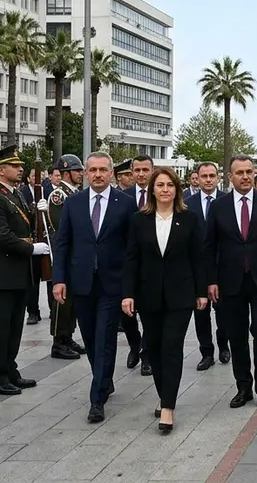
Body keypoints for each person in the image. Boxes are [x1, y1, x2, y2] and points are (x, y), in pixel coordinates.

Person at [50, 152, 137, 423]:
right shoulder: (73, 203)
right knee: (89, 337)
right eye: (93, 170)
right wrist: (59, 279)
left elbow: (132, 249)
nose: (98, 174)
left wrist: (130, 287)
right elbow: (63, 243)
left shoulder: (126, 203)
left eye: (103, 170)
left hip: (112, 283)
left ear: (111, 173)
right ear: (86, 174)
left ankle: (96, 399)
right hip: (82, 282)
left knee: (105, 339)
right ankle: (104, 379)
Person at [122, 167, 207, 435]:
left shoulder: (189, 219)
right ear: (152, 190)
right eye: (160, 185)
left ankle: (168, 406)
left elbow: (198, 257)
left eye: (170, 185)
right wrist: (128, 293)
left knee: (171, 346)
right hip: (148, 295)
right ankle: (164, 394)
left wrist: (201, 292)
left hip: (180, 294)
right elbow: (131, 259)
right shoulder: (139, 220)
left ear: (177, 189)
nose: (165, 190)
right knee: (154, 348)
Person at [205, 155, 257, 409]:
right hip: (230, 281)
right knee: (236, 335)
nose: (245, 176)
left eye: (249, 171)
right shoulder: (219, 206)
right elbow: (210, 246)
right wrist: (211, 280)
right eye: (239, 172)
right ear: (230, 177)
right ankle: (243, 387)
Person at [0, 145, 49, 397]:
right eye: (15, 166)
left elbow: (25, 224)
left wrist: (39, 211)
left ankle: (10, 370)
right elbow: (2, 236)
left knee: (14, 327)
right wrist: (31, 249)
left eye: (20, 166)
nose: (21, 169)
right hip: (1, 270)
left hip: (18, 270)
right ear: (1, 170)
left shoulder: (16, 194)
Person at [38, 155, 86, 361]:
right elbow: (62, 227)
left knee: (71, 300)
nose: (81, 174)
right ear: (66, 173)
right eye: (77, 171)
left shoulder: (75, 193)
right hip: (64, 254)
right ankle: (58, 341)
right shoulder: (59, 195)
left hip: (76, 255)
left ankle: (68, 336)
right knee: (62, 301)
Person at [186, 161, 231, 370]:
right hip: (197, 269)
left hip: (222, 267)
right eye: (204, 176)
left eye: (212, 176)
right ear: (198, 178)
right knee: (200, 313)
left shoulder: (227, 201)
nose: (208, 180)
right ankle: (206, 352)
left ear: (218, 177)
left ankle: (224, 346)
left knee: (224, 313)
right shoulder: (187, 204)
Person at [120, 155, 154, 375]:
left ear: (152, 171)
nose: (141, 174)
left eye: (145, 170)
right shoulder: (123, 197)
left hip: (152, 265)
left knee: (150, 314)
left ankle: (147, 355)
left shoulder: (161, 194)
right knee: (127, 315)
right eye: (137, 170)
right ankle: (135, 345)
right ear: (132, 172)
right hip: (127, 264)